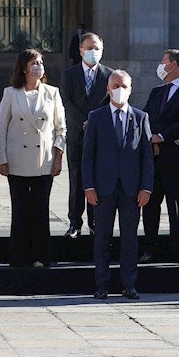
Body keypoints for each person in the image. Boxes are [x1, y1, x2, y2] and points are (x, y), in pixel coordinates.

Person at [83, 70, 153, 300]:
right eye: (115, 85)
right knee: (102, 237)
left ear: (130, 89)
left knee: (130, 238)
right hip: (103, 188)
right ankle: (101, 285)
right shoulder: (96, 117)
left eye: (123, 86)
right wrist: (89, 187)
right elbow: (88, 156)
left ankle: (129, 284)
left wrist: (146, 187)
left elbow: (146, 157)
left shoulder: (141, 118)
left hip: (132, 189)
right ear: (108, 89)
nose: (119, 90)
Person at [0, 48, 65, 268]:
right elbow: (2, 129)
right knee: (20, 209)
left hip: (43, 160)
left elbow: (60, 128)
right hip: (17, 160)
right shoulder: (11, 93)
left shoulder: (52, 93)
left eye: (40, 62)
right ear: (24, 67)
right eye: (33, 62)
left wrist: (58, 157)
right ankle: (19, 256)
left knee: (40, 209)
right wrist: (2, 159)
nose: (37, 66)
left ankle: (41, 256)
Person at [141, 48, 179, 264]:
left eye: (163, 61)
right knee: (150, 205)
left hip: (177, 157)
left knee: (175, 205)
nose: (160, 65)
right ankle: (149, 248)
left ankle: (178, 249)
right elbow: (146, 116)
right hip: (154, 156)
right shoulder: (157, 91)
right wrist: (150, 138)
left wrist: (161, 136)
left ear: (174, 64)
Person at [59, 31, 112, 238]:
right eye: (89, 48)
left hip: (100, 138)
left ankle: (94, 222)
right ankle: (74, 222)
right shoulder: (69, 74)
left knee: (97, 181)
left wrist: (95, 122)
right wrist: (84, 121)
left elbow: (111, 103)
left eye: (96, 48)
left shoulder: (109, 75)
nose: (93, 52)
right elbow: (66, 101)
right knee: (77, 180)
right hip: (76, 136)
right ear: (81, 51)